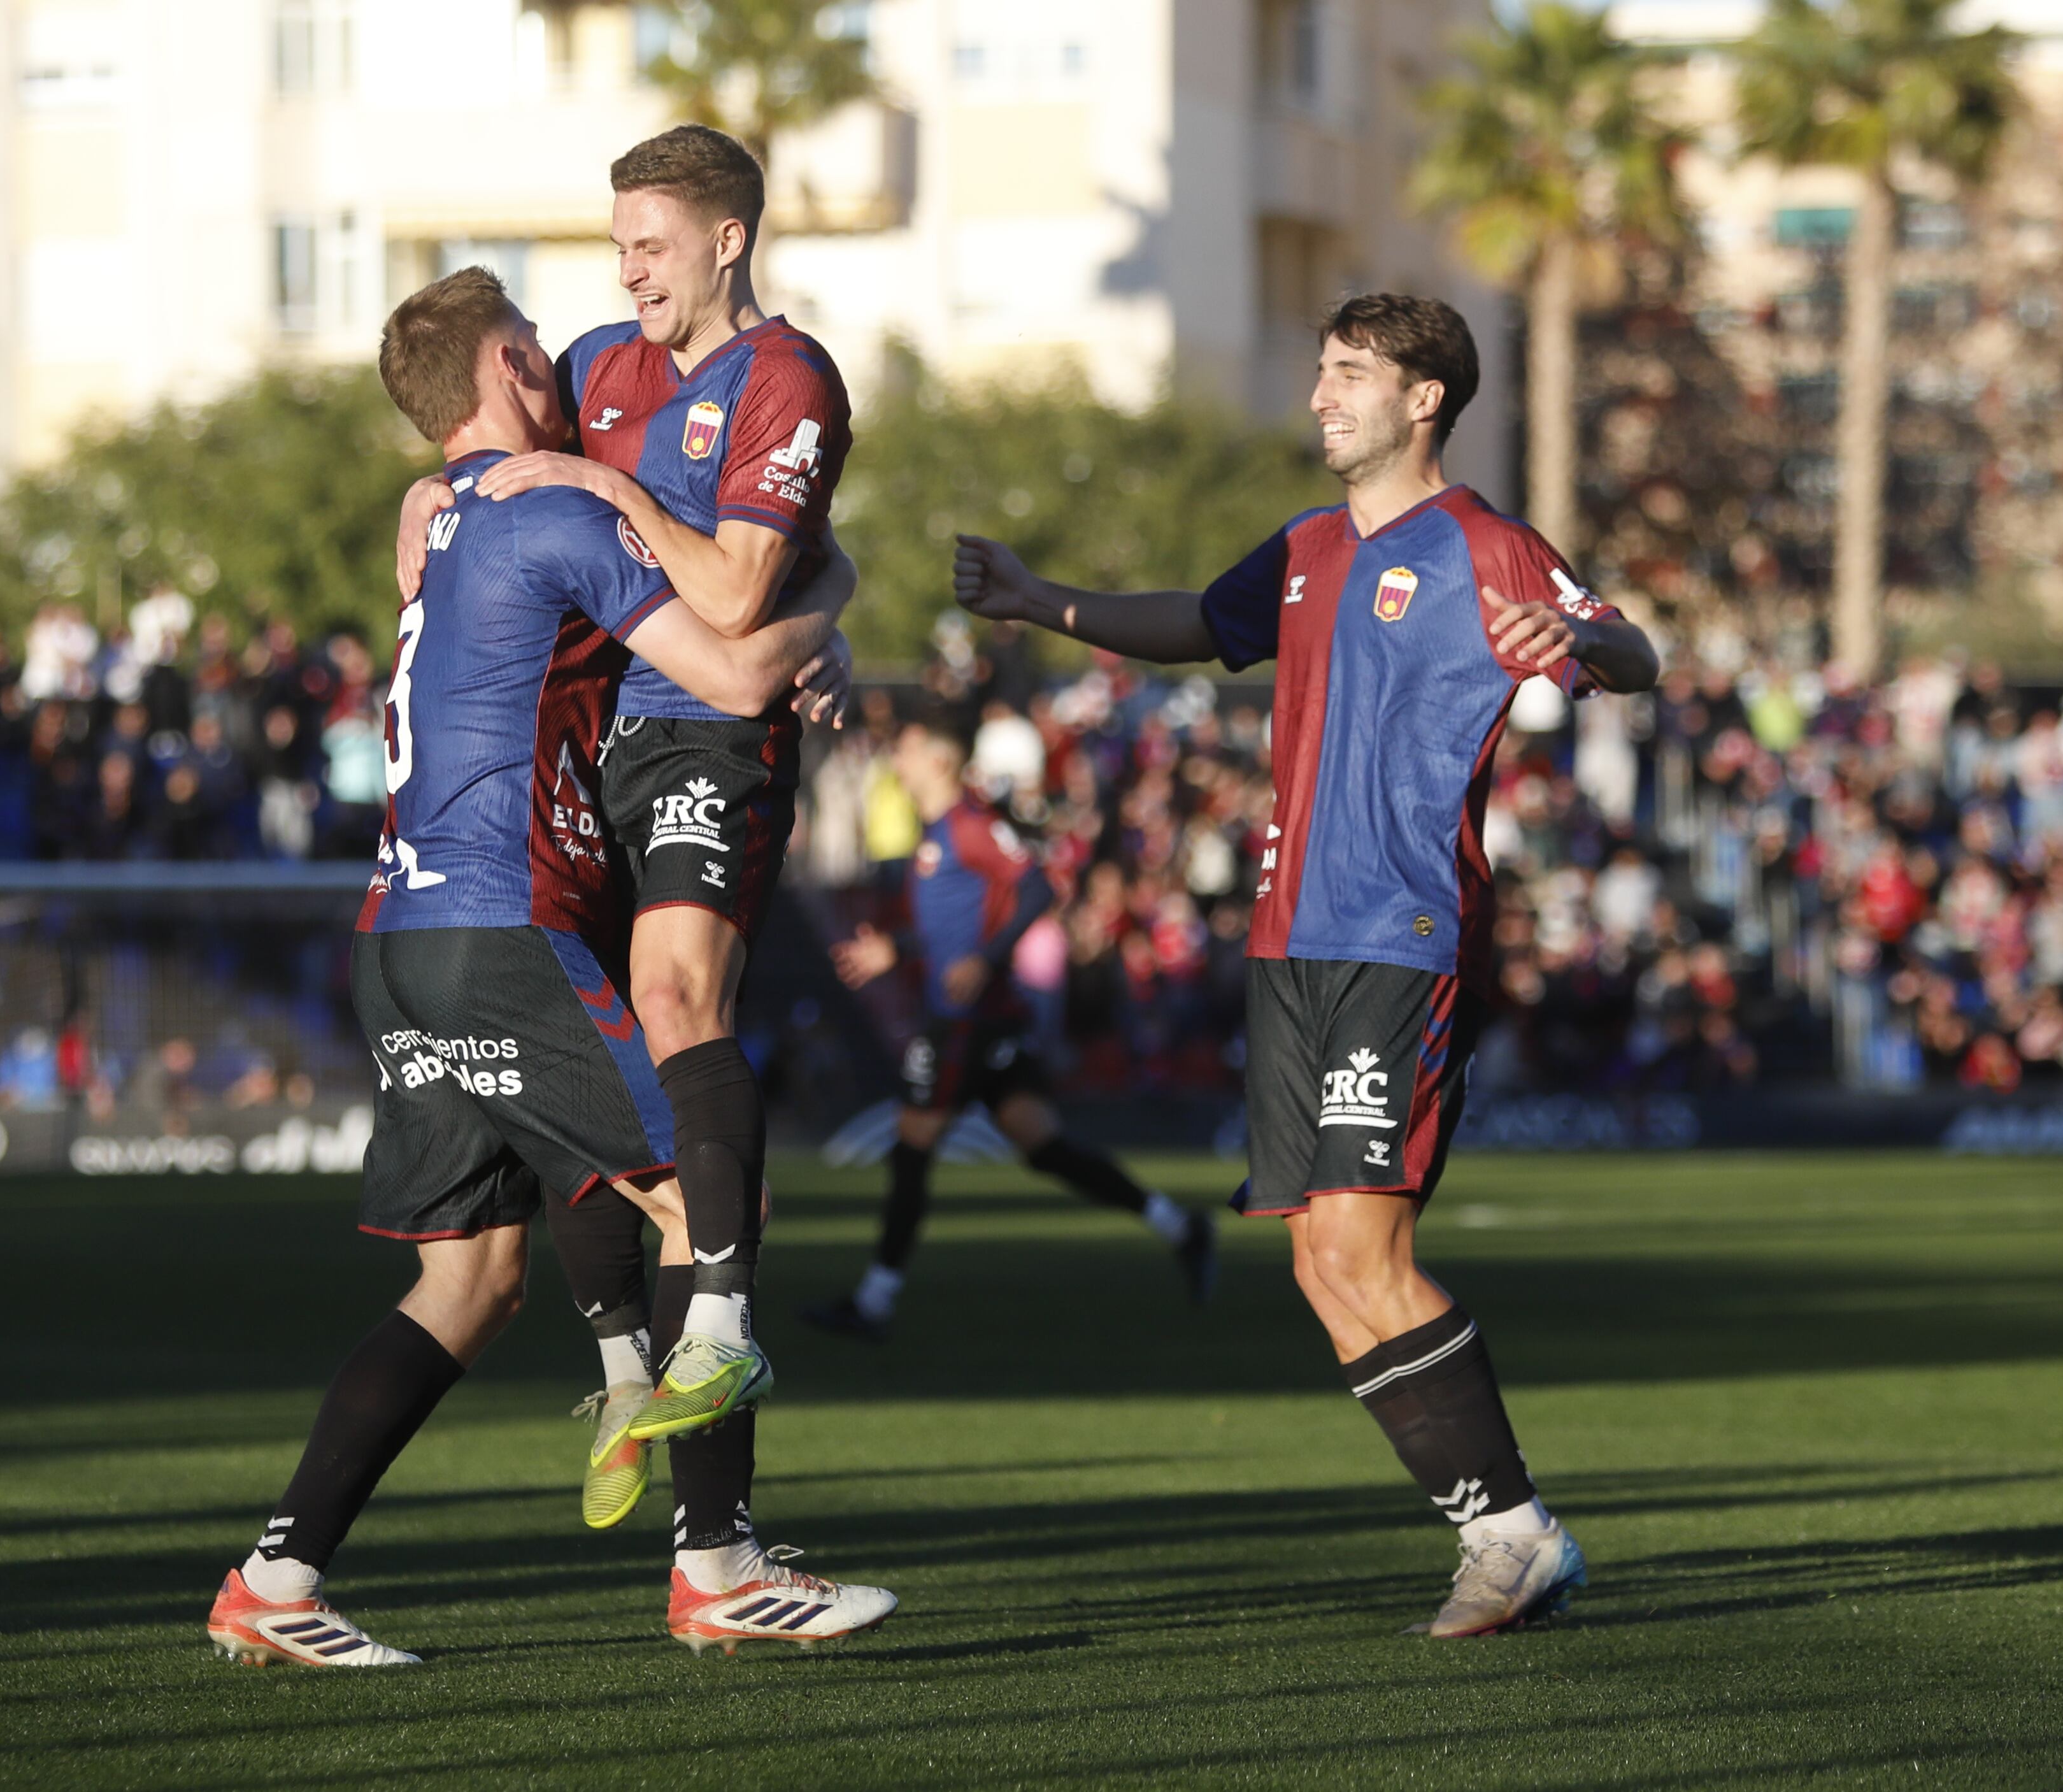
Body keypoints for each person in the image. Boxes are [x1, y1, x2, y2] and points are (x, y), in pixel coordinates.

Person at [206, 268, 893, 1670]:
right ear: (510, 368)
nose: (564, 367)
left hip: (394, 940)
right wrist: (836, 585)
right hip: (499, 923)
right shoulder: (559, 505)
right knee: (713, 1194)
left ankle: (275, 1578)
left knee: (465, 1284)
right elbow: (739, 672)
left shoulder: (446, 514)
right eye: (537, 349)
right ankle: (719, 1563)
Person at [950, 293, 1660, 1638]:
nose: (1321, 396)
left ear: (1423, 400)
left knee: (1359, 1240)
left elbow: (1637, 650)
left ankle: (1516, 1537)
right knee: (1316, 1265)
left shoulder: (1485, 543)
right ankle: (1502, 1535)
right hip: (1288, 937)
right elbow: (1198, 621)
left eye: (1348, 374)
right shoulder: (1306, 547)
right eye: (1320, 370)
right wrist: (1045, 601)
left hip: (1399, 929)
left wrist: (1574, 643)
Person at [397, 124, 855, 1572]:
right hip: (588, 751)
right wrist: (423, 492)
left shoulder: (788, 379)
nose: (626, 271)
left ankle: (712, 1344)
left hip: (712, 729)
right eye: (617, 246)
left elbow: (729, 589)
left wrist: (622, 501)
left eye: (649, 243)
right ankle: (625, 1376)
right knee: (601, 1104)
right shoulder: (598, 364)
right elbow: (491, 478)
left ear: (728, 239)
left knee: (673, 1001)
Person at [806, 714, 1218, 1340]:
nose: (901, 753)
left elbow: (1034, 888)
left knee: (911, 1145)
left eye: (912, 744)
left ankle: (872, 1303)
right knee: (1041, 1143)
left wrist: (987, 959)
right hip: (985, 1016)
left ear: (940, 761)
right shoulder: (940, 830)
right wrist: (900, 946)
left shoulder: (971, 824)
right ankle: (1179, 1227)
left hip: (966, 1021)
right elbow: (953, 931)